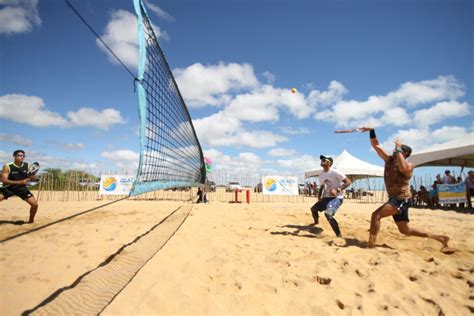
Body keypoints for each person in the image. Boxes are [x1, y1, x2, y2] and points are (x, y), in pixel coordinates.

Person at [359, 127, 452, 252]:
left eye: (398, 150)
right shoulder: (389, 160)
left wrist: (398, 148)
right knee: (405, 230)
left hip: (401, 199)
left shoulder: (409, 165)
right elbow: (376, 146)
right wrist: (372, 130)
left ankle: (370, 245)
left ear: (405, 154)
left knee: (376, 215)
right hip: (395, 199)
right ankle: (440, 238)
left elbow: (403, 168)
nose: (394, 151)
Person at [309, 155, 352, 237]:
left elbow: (348, 182)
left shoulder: (335, 172)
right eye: (321, 159)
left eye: (324, 159)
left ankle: (339, 235)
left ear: (329, 163)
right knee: (313, 209)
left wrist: (337, 190)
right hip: (326, 197)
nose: (322, 160)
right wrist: (319, 196)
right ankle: (316, 223)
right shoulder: (321, 174)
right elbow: (322, 186)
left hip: (337, 198)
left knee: (328, 214)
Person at [0, 150, 39, 223]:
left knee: (35, 205)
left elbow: (33, 179)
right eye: (20, 155)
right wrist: (19, 182)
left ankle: (31, 221)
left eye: (23, 156)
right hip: (9, 188)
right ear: (14, 156)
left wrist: (32, 175)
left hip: (21, 189)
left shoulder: (27, 166)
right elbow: (4, 180)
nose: (22, 157)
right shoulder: (7, 166)